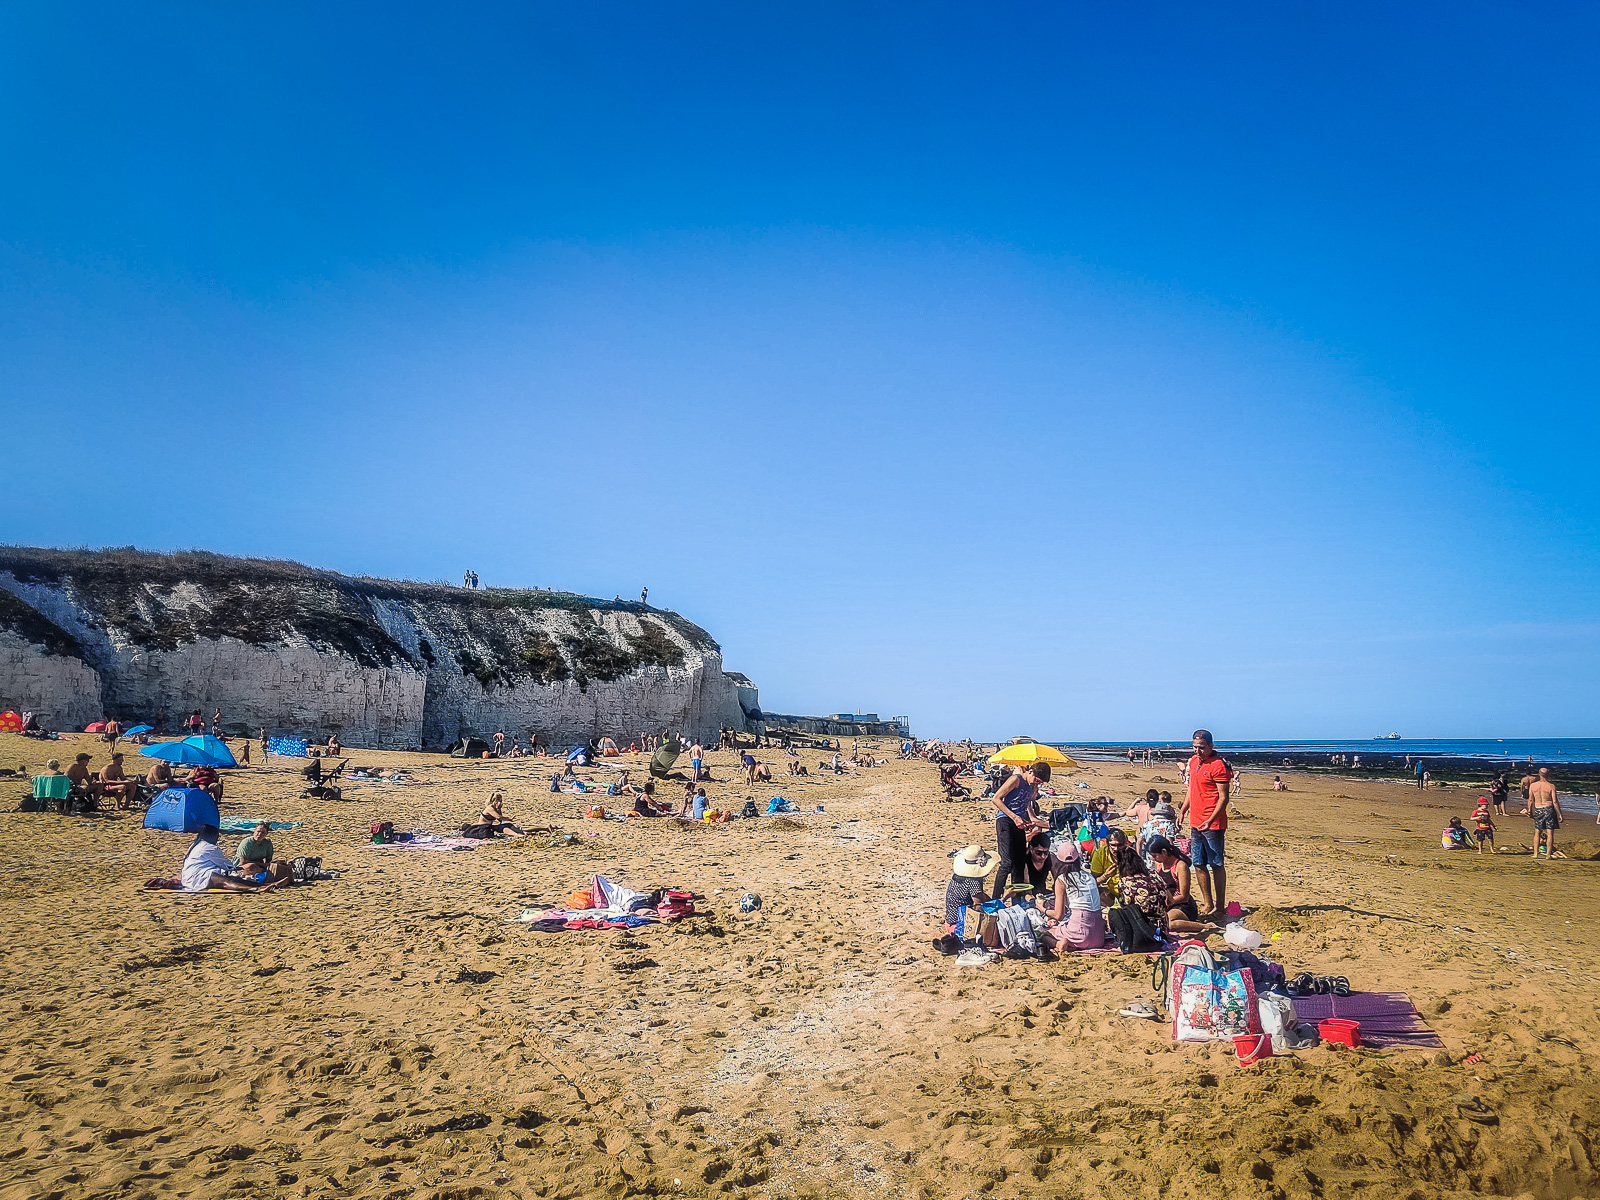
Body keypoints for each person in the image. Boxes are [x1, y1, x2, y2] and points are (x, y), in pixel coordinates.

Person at [1182, 729, 1232, 919]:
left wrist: (1210, 819)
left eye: (1201, 747)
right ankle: (1207, 903)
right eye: (1195, 747)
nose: (1197, 751)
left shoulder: (1219, 765)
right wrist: (1183, 810)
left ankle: (1219, 906)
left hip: (1213, 824)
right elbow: (1191, 790)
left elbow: (1223, 798)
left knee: (1216, 864)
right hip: (1195, 821)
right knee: (1198, 864)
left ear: (1211, 746)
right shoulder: (1194, 762)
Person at [989, 761, 1050, 896]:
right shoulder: (1016, 779)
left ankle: (1017, 898)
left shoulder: (1031, 787)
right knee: (1006, 863)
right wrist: (1014, 817)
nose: (1036, 783)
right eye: (1036, 780)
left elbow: (1023, 806)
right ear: (1030, 772)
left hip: (1018, 823)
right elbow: (996, 799)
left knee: (1020, 863)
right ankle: (995, 898)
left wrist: (1026, 821)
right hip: (1005, 820)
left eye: (1039, 783)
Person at [1039, 841, 1107, 951]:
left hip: (1079, 929)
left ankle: (1058, 944)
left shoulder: (1062, 879)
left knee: (1044, 934)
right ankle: (1070, 945)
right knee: (1075, 936)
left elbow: (1059, 915)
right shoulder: (1089, 876)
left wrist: (1042, 909)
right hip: (1098, 937)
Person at [1145, 835, 1219, 936]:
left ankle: (1204, 926)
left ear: (1164, 852)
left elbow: (1184, 896)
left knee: (1166, 924)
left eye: (1155, 856)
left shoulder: (1180, 866)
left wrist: (1168, 902)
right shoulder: (1159, 865)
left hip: (1182, 905)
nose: (1154, 859)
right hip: (1166, 903)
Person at [182, 826, 285, 891]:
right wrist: (235, 869)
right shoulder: (210, 848)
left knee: (233, 879)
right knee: (226, 882)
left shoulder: (196, 845)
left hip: (191, 875)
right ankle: (255, 888)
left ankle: (267, 884)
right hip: (198, 877)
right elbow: (225, 864)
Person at [940, 845, 996, 952]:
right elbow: (979, 906)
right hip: (960, 927)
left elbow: (981, 896)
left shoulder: (959, 876)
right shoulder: (973, 881)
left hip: (950, 922)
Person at [1529, 768, 1563, 860]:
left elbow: (1531, 800)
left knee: (1537, 832)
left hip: (1538, 808)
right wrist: (1559, 814)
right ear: (1548, 775)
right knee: (1550, 833)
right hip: (1549, 809)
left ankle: (1535, 854)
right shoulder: (1551, 786)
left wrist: (1530, 811)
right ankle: (1548, 855)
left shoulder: (1533, 785)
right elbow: (1555, 801)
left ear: (1538, 774)